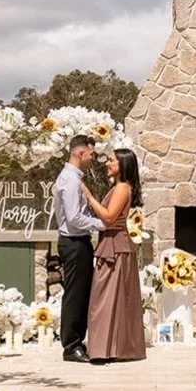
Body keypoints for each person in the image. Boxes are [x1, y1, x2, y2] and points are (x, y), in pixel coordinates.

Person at [80, 148, 147, 364]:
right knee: (112, 299)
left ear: (123, 165)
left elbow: (109, 217)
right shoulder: (118, 187)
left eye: (111, 161)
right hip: (113, 244)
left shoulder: (122, 188)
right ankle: (111, 347)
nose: (107, 164)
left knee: (104, 298)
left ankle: (103, 350)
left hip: (116, 247)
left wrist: (89, 197)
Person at [53, 135, 105, 362]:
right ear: (80, 153)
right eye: (91, 154)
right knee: (75, 295)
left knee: (80, 293)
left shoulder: (71, 178)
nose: (93, 158)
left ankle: (76, 342)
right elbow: (74, 217)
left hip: (76, 242)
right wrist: (101, 223)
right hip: (74, 243)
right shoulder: (71, 181)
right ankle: (71, 346)